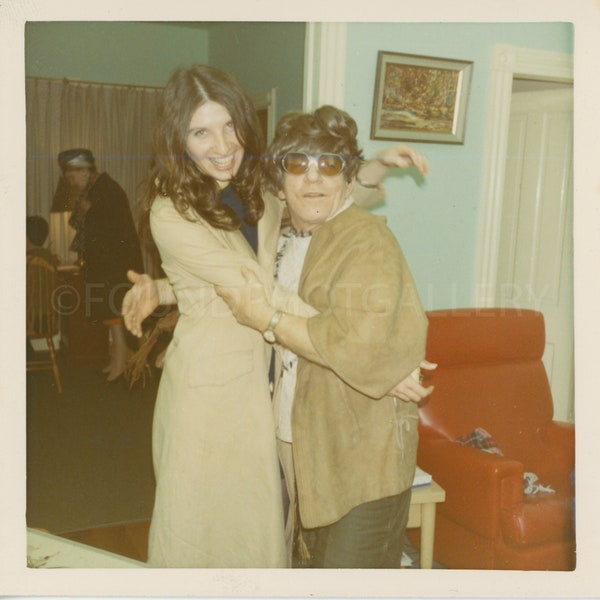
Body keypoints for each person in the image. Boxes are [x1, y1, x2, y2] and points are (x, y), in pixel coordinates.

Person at [122, 64, 432, 568]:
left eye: (229, 126)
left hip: (261, 389)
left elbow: (323, 200)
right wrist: (366, 350)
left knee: (256, 539)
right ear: (178, 141)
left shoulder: (256, 192)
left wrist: (374, 166)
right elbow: (256, 286)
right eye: (201, 132)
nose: (221, 145)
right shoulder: (169, 209)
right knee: (199, 534)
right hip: (208, 390)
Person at [215, 105, 429, 568]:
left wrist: (268, 320)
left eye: (329, 165)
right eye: (298, 164)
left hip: (361, 454)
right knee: (308, 567)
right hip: (300, 439)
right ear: (280, 181)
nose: (313, 177)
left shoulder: (366, 240)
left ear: (346, 180)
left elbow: (356, 341)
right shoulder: (288, 236)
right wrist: (160, 289)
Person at [55, 148, 143, 381]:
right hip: (108, 261)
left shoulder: (106, 189)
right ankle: (119, 359)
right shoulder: (94, 189)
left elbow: (108, 227)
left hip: (117, 262)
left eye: (73, 177)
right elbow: (81, 222)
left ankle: (121, 360)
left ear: (84, 171)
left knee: (113, 311)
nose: (71, 183)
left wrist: (89, 211)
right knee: (110, 312)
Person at [26, 216, 58, 361]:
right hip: (47, 320)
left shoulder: (27, 261)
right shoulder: (50, 259)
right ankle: (28, 355)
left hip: (31, 322)